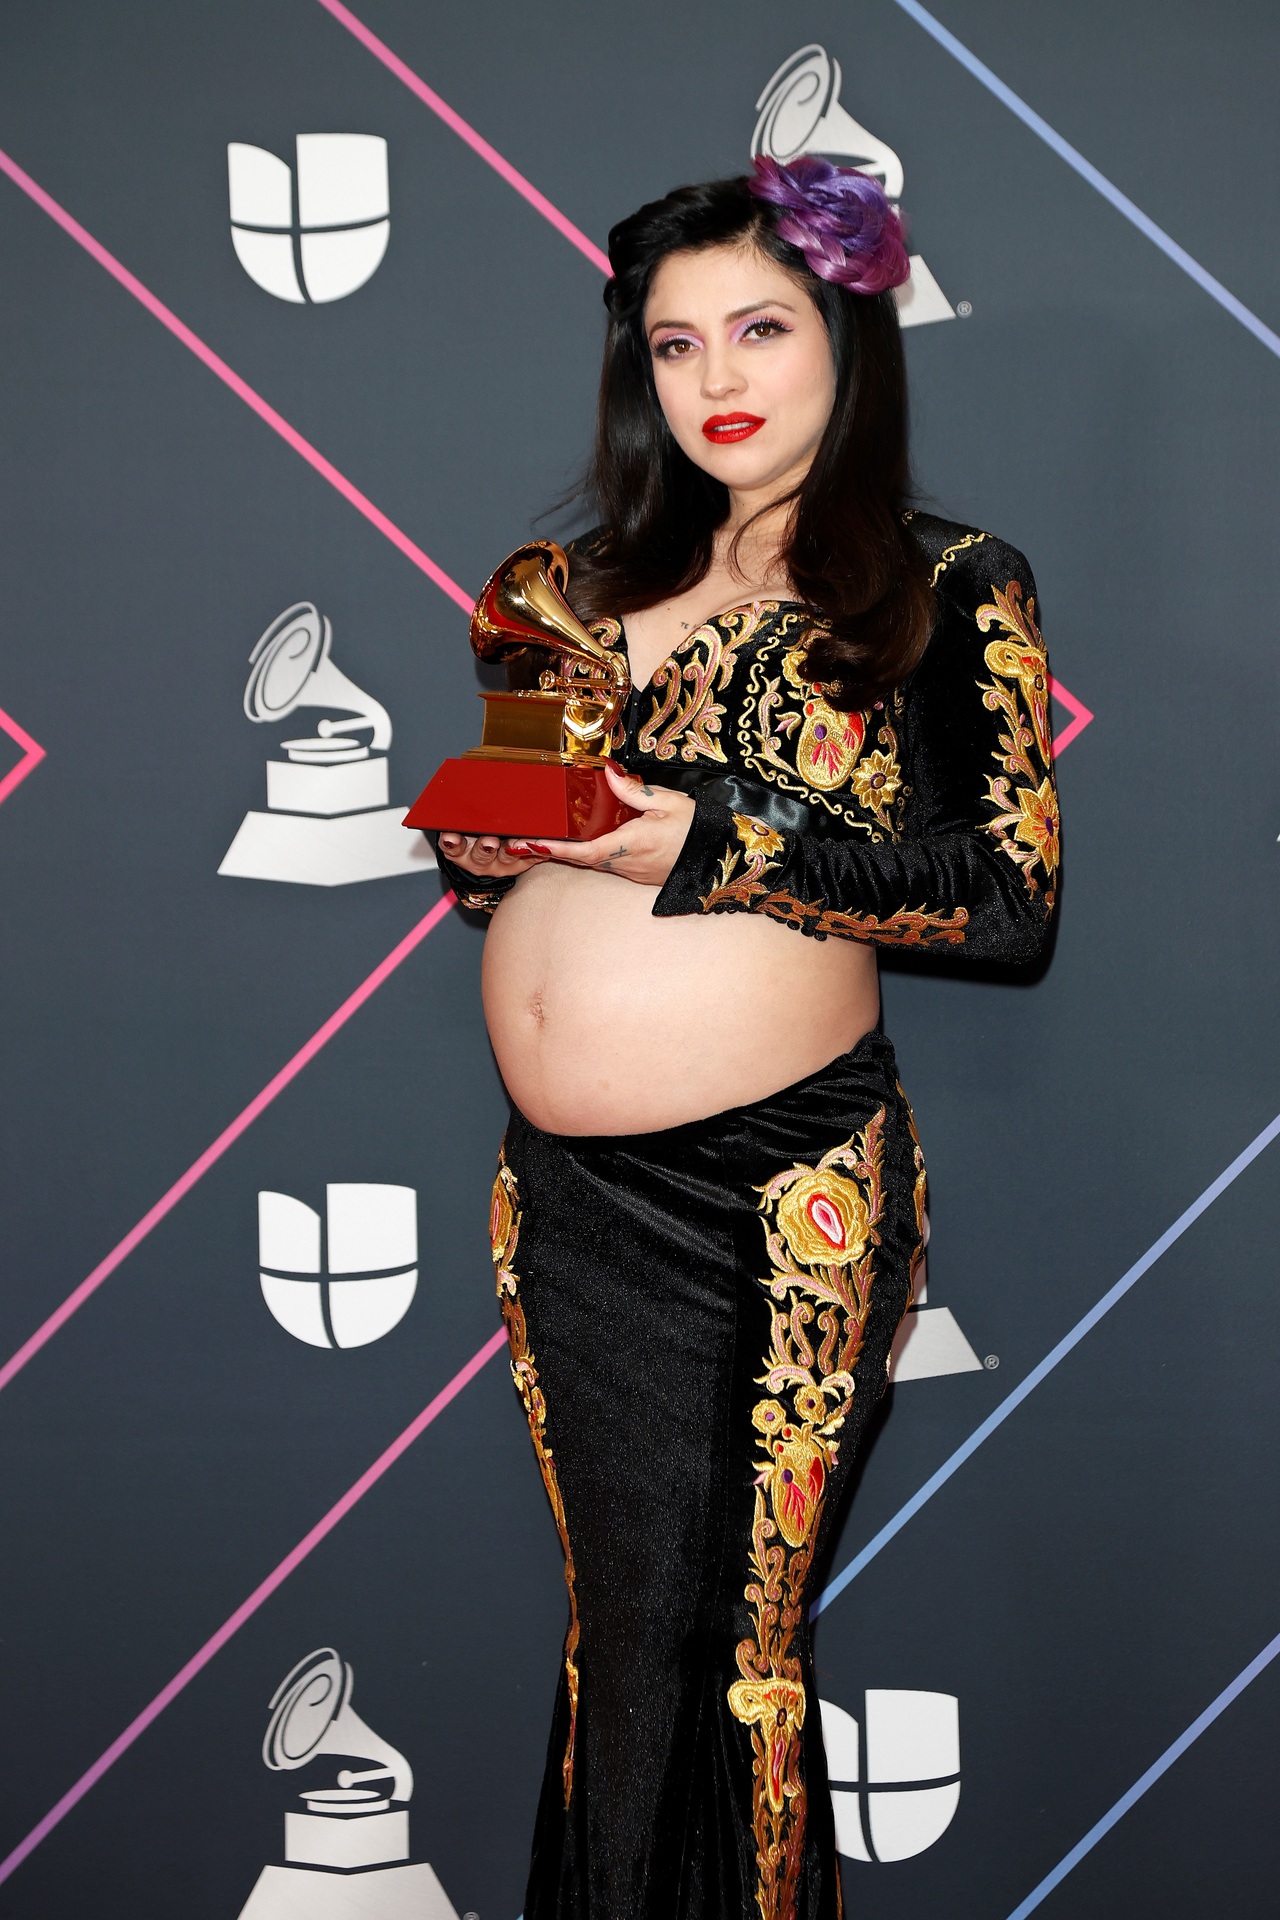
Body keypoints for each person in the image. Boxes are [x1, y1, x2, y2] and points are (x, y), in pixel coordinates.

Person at [435, 158, 1058, 1920]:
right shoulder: (568, 590)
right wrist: (487, 849)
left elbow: (1003, 896)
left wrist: (710, 839)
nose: (717, 374)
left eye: (762, 329)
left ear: (849, 339)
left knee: (724, 1654)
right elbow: (513, 852)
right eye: (676, 340)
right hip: (565, 1197)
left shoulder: (943, 582)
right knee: (626, 1638)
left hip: (771, 1195)